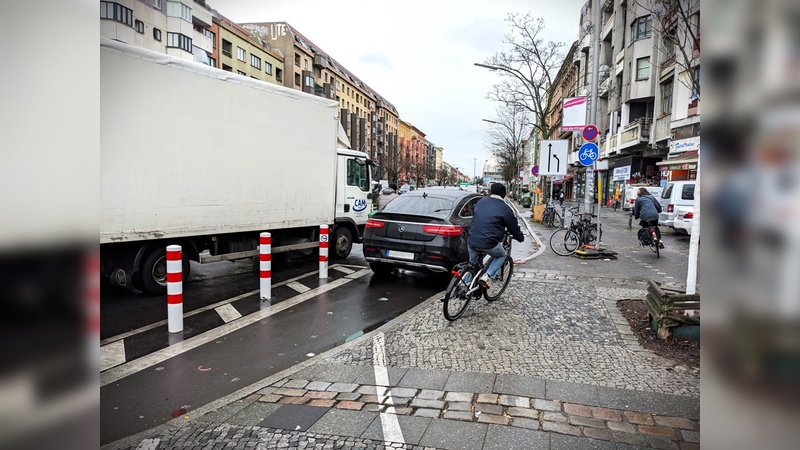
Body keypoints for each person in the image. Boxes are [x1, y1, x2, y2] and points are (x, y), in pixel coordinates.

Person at [467, 183, 525, 288]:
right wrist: (520, 237)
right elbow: (513, 227)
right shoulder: (505, 208)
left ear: (491, 191)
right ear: (503, 194)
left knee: (472, 264)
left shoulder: (481, 201)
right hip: (489, 242)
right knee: (501, 255)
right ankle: (487, 276)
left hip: (472, 239)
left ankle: (464, 287)